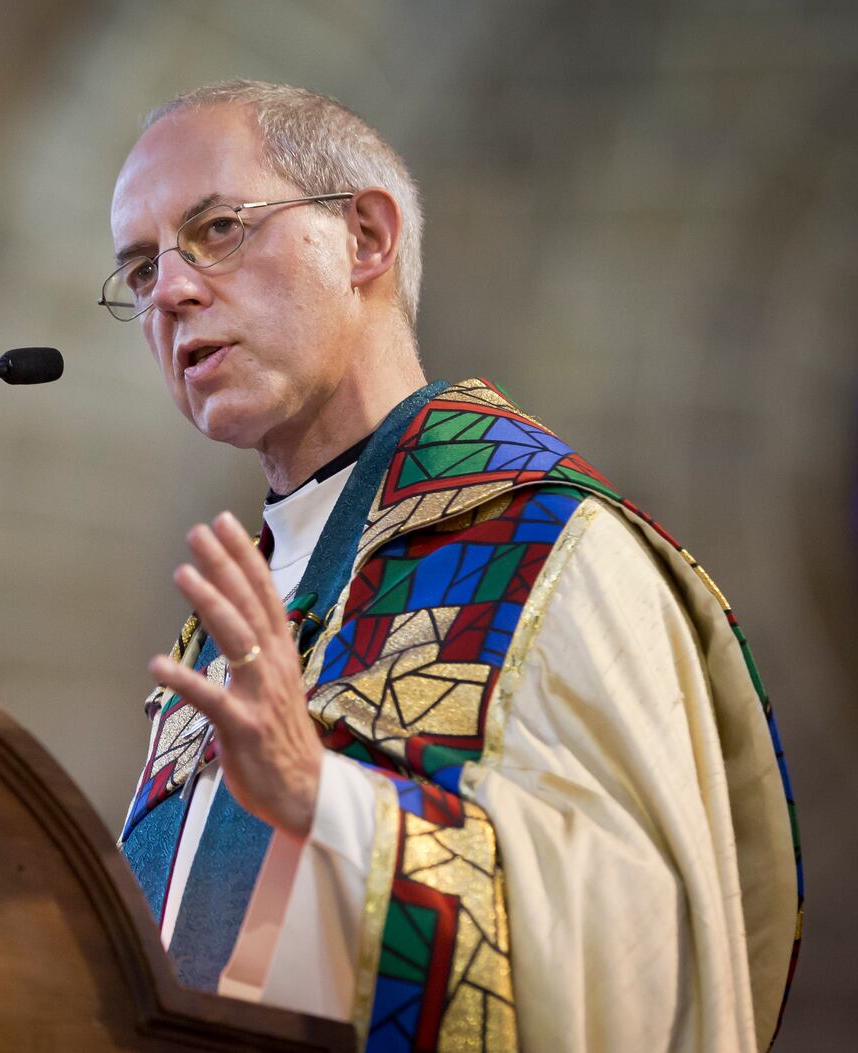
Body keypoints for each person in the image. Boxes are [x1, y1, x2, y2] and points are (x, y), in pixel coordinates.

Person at [105, 80, 801, 1052]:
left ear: (366, 239)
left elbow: (651, 961)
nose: (171, 293)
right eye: (139, 272)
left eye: (217, 229)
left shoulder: (553, 550)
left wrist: (326, 803)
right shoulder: (234, 622)